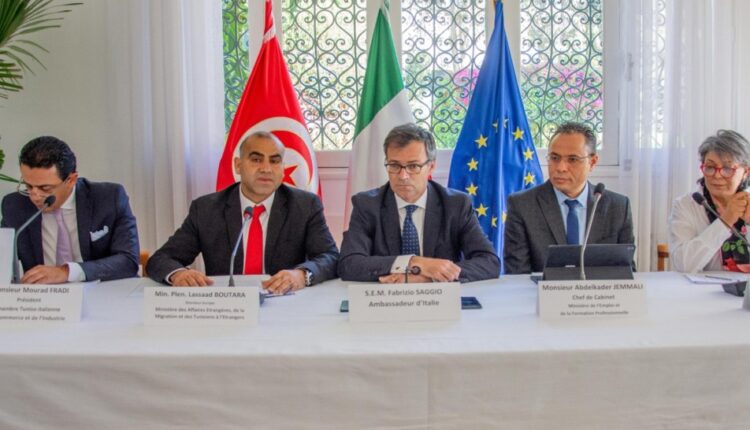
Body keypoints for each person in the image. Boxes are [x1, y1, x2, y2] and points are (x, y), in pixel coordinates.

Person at [146, 131, 339, 293]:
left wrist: (302, 275)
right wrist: (179, 274)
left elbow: (330, 257)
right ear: (238, 165)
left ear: (282, 169)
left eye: (274, 161)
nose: (266, 169)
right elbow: (161, 259)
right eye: (256, 159)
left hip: (283, 302)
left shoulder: (305, 206)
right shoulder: (206, 209)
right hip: (226, 307)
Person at [339, 123, 499, 283]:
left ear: (431, 167)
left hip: (439, 296)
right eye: (394, 165)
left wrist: (427, 278)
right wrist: (413, 263)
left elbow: (489, 261)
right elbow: (349, 264)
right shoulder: (367, 205)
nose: (403, 176)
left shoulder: (456, 205)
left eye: (413, 166)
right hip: (385, 296)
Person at [1, 136, 140, 283]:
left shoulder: (108, 198)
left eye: (45, 188)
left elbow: (128, 261)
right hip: (42, 295)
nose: (34, 196)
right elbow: (4, 260)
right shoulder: (14, 205)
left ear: (71, 180)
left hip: (102, 290)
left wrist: (67, 272)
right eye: (28, 186)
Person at [504, 122, 634, 274]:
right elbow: (518, 275)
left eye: (572, 159)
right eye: (554, 158)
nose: (560, 168)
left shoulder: (618, 207)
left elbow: (626, 271)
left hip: (600, 289)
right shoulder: (523, 205)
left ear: (592, 162)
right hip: (541, 289)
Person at [669, 130, 750, 272]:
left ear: (745, 172)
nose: (717, 176)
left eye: (727, 168)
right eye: (710, 167)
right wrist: (725, 221)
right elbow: (684, 265)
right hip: (705, 286)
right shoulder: (686, 204)